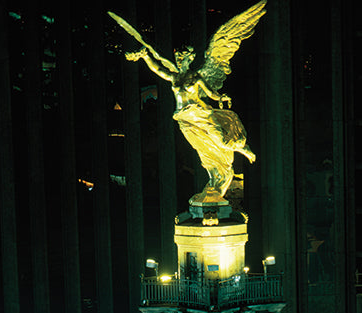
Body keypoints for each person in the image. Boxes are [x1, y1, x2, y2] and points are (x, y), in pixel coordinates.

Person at [110, 5, 266, 198]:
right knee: (204, 151)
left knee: (221, 140)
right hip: (184, 119)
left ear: (189, 59)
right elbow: (157, 69)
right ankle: (215, 183)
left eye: (182, 57)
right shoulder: (174, 77)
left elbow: (211, 93)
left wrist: (221, 97)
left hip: (201, 114)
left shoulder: (197, 77)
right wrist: (144, 56)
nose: (178, 59)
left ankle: (243, 149)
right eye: (177, 57)